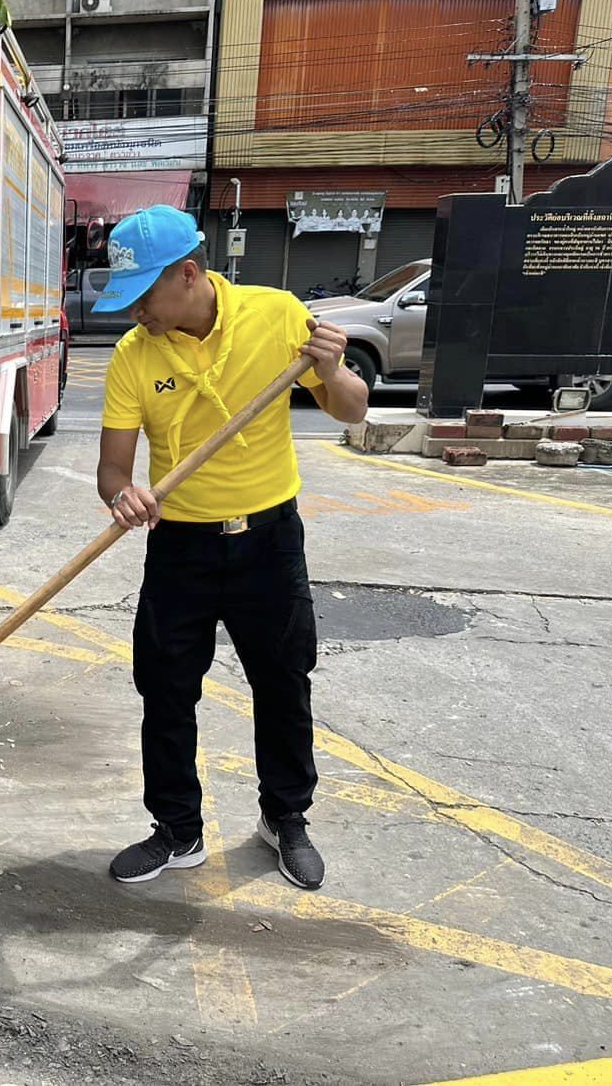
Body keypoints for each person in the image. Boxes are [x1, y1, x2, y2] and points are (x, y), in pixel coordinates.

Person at [92, 205, 367, 891]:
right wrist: (124, 496)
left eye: (142, 296)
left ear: (187, 274)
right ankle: (176, 830)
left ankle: (284, 817)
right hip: (179, 547)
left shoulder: (276, 316)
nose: (134, 314)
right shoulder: (134, 356)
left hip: (268, 540)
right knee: (164, 689)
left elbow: (352, 409)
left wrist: (333, 371)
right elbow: (112, 471)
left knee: (282, 682)